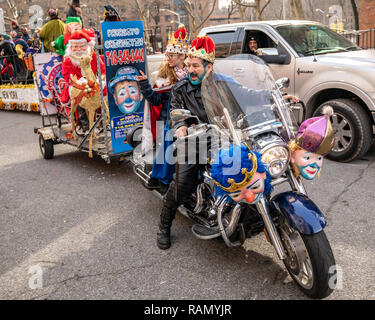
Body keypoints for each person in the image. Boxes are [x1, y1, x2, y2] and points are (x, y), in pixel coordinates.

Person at [135, 24, 190, 189]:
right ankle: (160, 177)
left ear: (182, 55)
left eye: (172, 55)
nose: (169, 59)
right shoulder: (164, 75)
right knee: (170, 144)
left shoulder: (192, 71)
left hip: (192, 116)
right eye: (168, 55)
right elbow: (156, 100)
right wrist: (145, 84)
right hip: (170, 119)